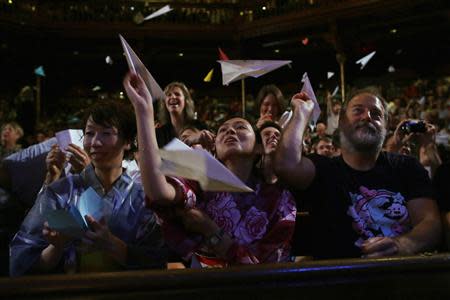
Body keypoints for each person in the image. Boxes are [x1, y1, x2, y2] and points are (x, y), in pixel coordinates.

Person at [123, 72, 296, 267]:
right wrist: (144, 111)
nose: (230, 130)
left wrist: (210, 230)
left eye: (240, 127)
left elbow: (266, 263)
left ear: (258, 147)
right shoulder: (200, 180)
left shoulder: (281, 199)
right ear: (215, 149)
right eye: (222, 129)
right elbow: (158, 192)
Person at [275, 88, 441, 259]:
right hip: (338, 281)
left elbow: (430, 222)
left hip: (400, 279)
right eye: (358, 110)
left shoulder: (407, 167)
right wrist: (301, 113)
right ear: (341, 122)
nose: (367, 116)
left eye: (376, 114)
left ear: (385, 125)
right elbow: (285, 165)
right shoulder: (323, 170)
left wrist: (402, 244)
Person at [10, 100, 167, 277]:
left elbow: (158, 262)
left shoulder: (142, 198)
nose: (95, 142)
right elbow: (21, 261)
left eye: (106, 133)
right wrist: (56, 247)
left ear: (128, 142)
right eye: (89, 133)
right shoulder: (59, 193)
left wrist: (113, 245)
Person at [156, 82, 196, 147]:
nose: (173, 97)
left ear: (186, 101)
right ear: (164, 103)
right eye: (168, 95)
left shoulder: (200, 127)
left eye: (177, 94)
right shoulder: (159, 133)